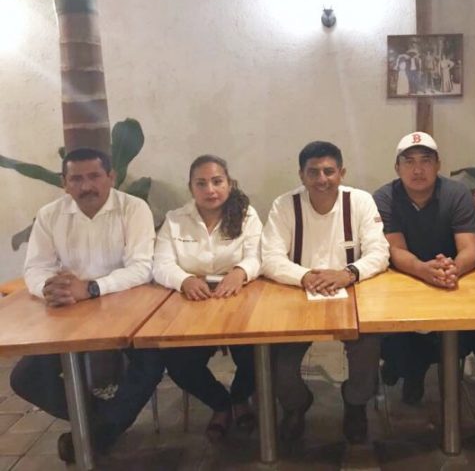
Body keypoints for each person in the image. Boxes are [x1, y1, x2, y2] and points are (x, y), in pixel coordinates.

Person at [10, 147, 163, 463]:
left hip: (127, 307)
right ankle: (101, 426)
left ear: (111, 177)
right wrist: (49, 288)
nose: (86, 186)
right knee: (24, 378)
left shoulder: (134, 209)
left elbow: (142, 267)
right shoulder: (50, 215)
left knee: (151, 364)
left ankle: (95, 434)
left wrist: (92, 288)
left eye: (94, 176)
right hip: (69, 311)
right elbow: (36, 267)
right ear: (65, 183)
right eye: (76, 179)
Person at [373, 133, 475, 420]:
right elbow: (395, 250)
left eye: (426, 161)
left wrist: (452, 269)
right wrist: (424, 270)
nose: (418, 169)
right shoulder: (385, 197)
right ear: (397, 167)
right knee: (393, 338)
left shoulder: (457, 193)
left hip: (455, 282)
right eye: (409, 162)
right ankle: (411, 371)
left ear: (438, 165)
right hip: (406, 282)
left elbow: (470, 249)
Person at [261, 141, 389, 444]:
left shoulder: (360, 201)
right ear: (301, 175)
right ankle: (295, 404)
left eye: (329, 171)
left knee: (368, 348)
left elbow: (380, 252)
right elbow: (270, 258)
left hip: (351, 293)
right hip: (297, 294)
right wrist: (305, 276)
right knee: (278, 359)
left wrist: (347, 274)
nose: (322, 179)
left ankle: (355, 403)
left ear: (342, 172)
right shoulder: (284, 205)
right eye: (313, 172)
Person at [152, 155, 262, 441]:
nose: (210, 190)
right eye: (201, 183)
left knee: (257, 353)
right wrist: (184, 280)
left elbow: (258, 256)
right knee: (178, 362)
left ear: (229, 183)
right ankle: (220, 404)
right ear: (191, 188)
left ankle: (240, 398)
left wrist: (240, 271)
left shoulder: (247, 215)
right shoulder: (175, 220)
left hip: (238, 299)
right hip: (193, 302)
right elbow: (161, 264)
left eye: (217, 181)